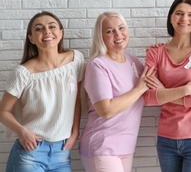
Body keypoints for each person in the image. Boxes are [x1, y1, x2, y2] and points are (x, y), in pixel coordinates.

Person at [0, 11, 84, 172]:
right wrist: (22, 131)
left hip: (62, 151)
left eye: (52, 27)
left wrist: (75, 132)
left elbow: (77, 99)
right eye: (39, 29)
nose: (46, 31)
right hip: (31, 151)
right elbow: (3, 111)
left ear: (61, 34)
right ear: (31, 38)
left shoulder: (75, 60)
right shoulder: (23, 73)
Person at [143, 0, 191, 172]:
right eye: (179, 13)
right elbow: (148, 97)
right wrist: (186, 89)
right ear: (170, 17)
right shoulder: (156, 53)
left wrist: (164, 93)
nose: (185, 19)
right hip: (166, 139)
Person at [79, 11, 153, 172]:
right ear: (101, 36)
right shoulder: (97, 65)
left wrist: (159, 55)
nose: (118, 34)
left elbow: (151, 91)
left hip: (126, 146)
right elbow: (106, 110)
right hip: (102, 146)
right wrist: (139, 89)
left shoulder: (133, 62)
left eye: (121, 28)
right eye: (109, 31)